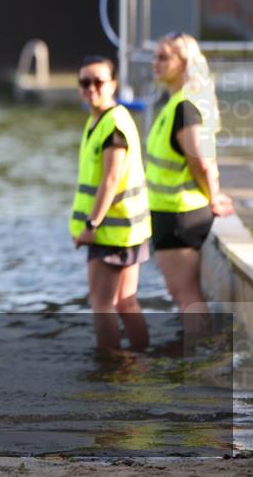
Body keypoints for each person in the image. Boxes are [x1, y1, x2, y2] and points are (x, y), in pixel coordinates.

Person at [146, 33, 234, 335]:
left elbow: (200, 161)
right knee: (184, 296)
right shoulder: (177, 104)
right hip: (172, 212)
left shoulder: (185, 107)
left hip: (179, 214)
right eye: (155, 56)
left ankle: (200, 356)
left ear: (183, 63)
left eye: (164, 57)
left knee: (186, 296)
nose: (155, 63)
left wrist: (214, 195)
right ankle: (200, 353)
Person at [70, 57, 151, 352]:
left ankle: (110, 370)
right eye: (84, 82)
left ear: (113, 84)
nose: (91, 88)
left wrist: (91, 225)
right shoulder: (99, 120)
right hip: (125, 229)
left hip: (111, 231)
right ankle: (142, 360)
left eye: (98, 82)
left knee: (101, 304)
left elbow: (111, 179)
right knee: (124, 302)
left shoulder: (113, 124)